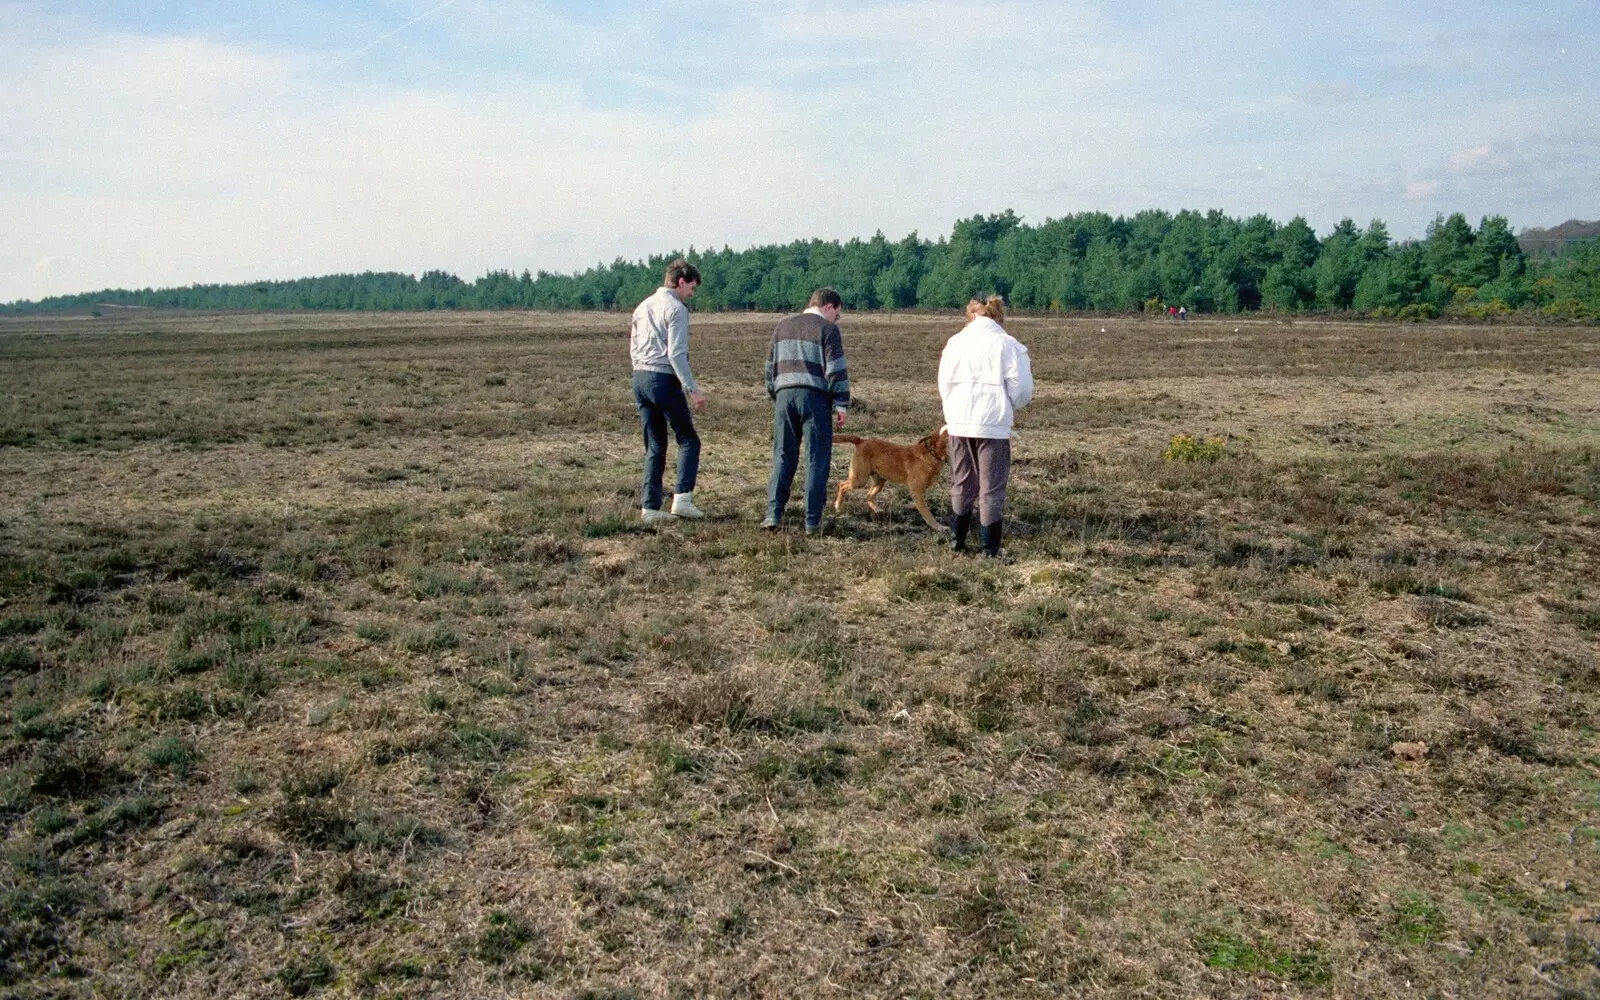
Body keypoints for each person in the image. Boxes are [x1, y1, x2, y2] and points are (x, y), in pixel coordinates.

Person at [938, 294, 1033, 559]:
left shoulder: (954, 343)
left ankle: (956, 542)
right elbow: (1022, 389)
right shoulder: (1007, 344)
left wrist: (954, 410)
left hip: (958, 422)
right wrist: (1008, 404)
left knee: (962, 482)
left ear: (970, 315)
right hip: (992, 424)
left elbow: (943, 383)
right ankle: (990, 550)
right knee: (990, 487)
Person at [762, 287, 851, 534]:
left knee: (782, 455)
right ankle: (812, 522)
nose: (837, 319)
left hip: (784, 396)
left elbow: (769, 367)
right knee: (816, 459)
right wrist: (841, 403)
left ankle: (773, 515)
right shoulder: (828, 329)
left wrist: (777, 394)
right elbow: (835, 369)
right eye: (837, 314)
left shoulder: (782, 326)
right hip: (815, 398)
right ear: (829, 307)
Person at [629, 258, 707, 523]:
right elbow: (676, 353)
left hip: (639, 377)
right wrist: (692, 389)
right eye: (691, 289)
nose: (691, 295)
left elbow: (633, 344)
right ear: (681, 281)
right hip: (662, 379)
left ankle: (650, 508)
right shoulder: (677, 309)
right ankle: (682, 499)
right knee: (688, 439)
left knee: (655, 445)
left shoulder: (642, 306)